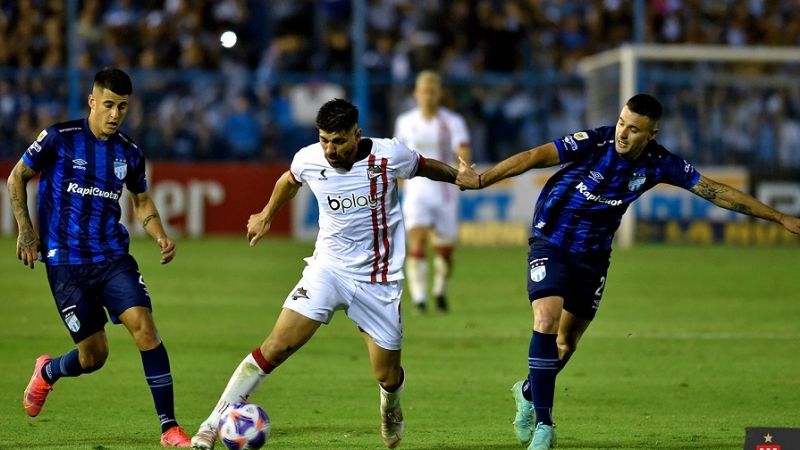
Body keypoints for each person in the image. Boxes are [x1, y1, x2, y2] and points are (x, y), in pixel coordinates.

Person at [455, 94, 800, 450]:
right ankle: (545, 425)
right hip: (551, 240)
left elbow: (714, 191)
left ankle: (528, 389)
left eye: (634, 129)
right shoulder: (595, 142)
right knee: (546, 319)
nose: (623, 133)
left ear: (651, 134)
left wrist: (778, 216)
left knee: (567, 342)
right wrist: (483, 179)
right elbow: (533, 157)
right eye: (622, 122)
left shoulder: (661, 163)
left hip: (593, 256)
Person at [190, 98, 458, 450]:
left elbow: (424, 166)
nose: (330, 149)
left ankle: (390, 404)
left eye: (339, 141)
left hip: (378, 280)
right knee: (276, 346)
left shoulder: (389, 156)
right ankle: (211, 426)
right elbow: (289, 179)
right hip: (327, 270)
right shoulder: (309, 158)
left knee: (386, 375)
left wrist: (459, 177)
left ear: (356, 135)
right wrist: (267, 213)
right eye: (324, 140)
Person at [6, 68, 192, 447]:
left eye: (122, 107)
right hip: (66, 265)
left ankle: (169, 427)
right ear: (92, 101)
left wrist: (159, 235)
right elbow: (17, 176)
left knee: (144, 326)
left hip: (111, 257)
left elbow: (141, 200)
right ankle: (49, 371)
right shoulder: (59, 138)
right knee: (93, 356)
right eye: (108, 105)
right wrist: (26, 230)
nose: (114, 115)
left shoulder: (129, 152)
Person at [393, 70, 471, 313]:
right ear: (416, 94)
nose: (427, 96)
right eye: (423, 91)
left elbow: (463, 149)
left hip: (445, 190)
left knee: (445, 250)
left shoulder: (453, 121)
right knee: (417, 241)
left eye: (432, 91)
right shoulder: (405, 122)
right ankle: (419, 299)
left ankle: (439, 290)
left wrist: (464, 170)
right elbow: (397, 154)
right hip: (416, 190)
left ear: (439, 94)